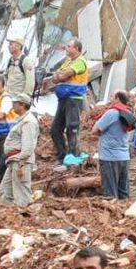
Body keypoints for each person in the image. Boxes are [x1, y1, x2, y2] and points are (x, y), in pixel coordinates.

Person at [51, 38, 89, 171]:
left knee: (72, 127)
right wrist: (59, 76)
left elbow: (62, 76)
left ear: (76, 49)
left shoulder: (80, 62)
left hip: (74, 99)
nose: (66, 48)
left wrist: (60, 76)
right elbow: (56, 78)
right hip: (63, 98)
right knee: (55, 129)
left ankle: (74, 156)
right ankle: (63, 157)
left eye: (69, 46)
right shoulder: (68, 61)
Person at [0, 94, 40, 207]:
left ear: (22, 105)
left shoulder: (28, 122)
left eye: (15, 103)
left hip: (20, 161)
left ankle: (24, 215)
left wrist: (21, 162)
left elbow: (28, 146)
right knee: (5, 192)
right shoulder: (21, 120)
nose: (13, 106)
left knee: (21, 194)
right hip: (14, 160)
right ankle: (9, 214)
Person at [94, 91, 134, 201]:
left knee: (110, 194)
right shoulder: (128, 112)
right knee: (123, 193)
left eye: (111, 96)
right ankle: (126, 211)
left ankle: (113, 211)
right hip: (124, 157)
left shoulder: (111, 113)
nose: (109, 99)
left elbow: (94, 130)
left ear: (117, 99)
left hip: (109, 157)